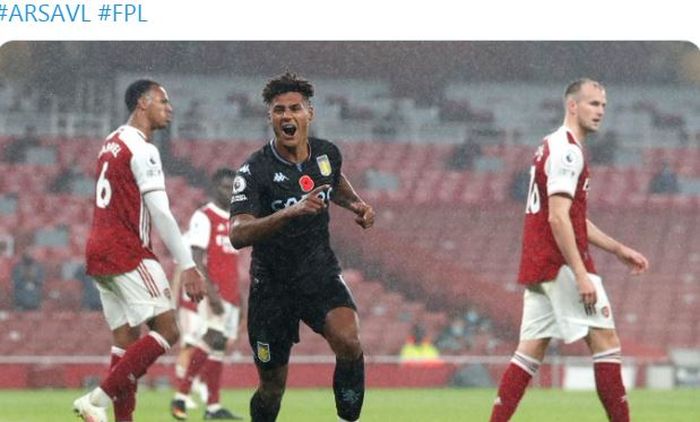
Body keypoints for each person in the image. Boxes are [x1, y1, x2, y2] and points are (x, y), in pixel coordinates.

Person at [489, 78, 649, 422]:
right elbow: (559, 219)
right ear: (572, 106)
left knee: (529, 351)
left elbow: (570, 217)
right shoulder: (567, 151)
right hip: (561, 264)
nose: (600, 112)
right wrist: (580, 274)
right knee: (606, 342)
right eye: (593, 104)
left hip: (540, 263)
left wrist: (617, 249)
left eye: (603, 106)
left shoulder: (550, 145)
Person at [229, 72, 375, 422]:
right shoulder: (254, 171)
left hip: (318, 273)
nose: (287, 116)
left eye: (295, 108)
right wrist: (289, 213)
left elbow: (333, 181)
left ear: (310, 113)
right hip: (271, 287)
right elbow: (237, 234)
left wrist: (356, 204)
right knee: (272, 388)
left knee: (350, 343)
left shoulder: (327, 154)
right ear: (270, 118)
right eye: (279, 110)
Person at [72, 79, 205, 422]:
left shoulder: (111, 142)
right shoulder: (143, 149)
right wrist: (187, 263)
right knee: (169, 330)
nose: (169, 108)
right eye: (163, 101)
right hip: (127, 250)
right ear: (143, 104)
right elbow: (160, 212)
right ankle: (96, 401)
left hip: (98, 251)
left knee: (126, 341)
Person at [171, 168, 244, 420]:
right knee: (210, 339)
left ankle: (213, 406)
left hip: (231, 293)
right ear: (215, 187)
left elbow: (231, 262)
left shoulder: (234, 220)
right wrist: (212, 295)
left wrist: (239, 298)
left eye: (234, 187)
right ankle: (180, 397)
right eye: (226, 186)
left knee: (219, 348)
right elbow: (197, 259)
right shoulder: (204, 217)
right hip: (215, 293)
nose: (230, 191)